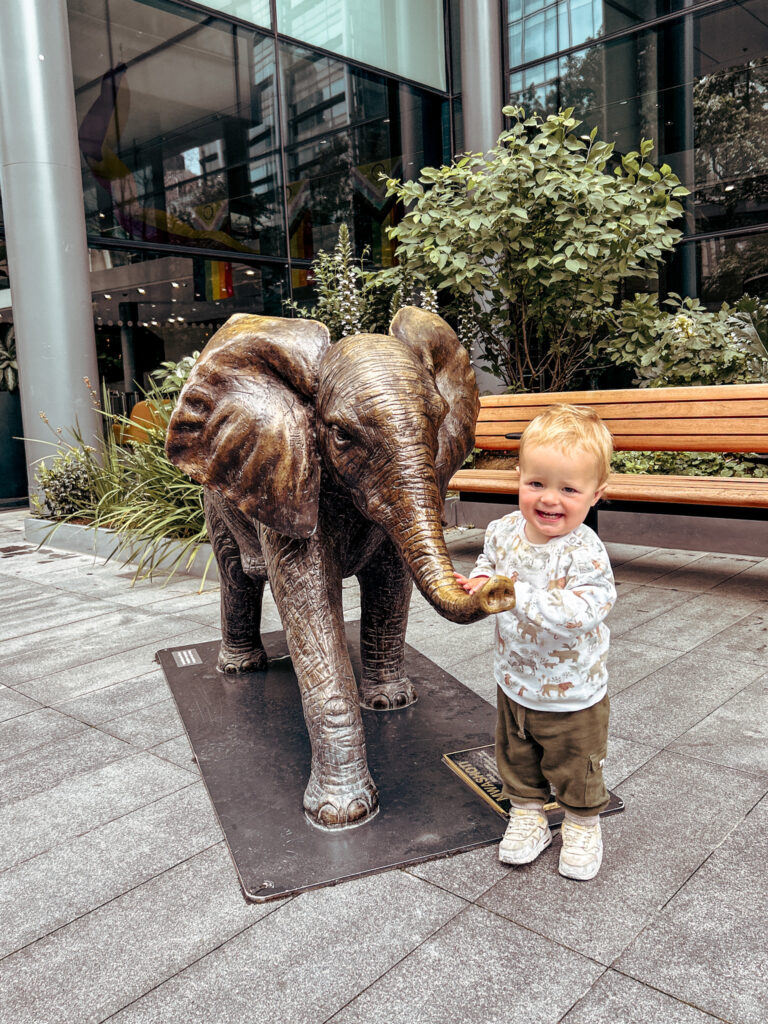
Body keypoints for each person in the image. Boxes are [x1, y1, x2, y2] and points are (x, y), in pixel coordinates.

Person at [454, 404, 616, 880]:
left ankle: (583, 823)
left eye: (569, 489)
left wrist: (515, 594)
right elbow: (489, 561)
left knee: (575, 765)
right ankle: (528, 814)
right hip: (514, 678)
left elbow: (585, 612)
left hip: (572, 691)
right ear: (519, 477)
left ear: (595, 495)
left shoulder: (584, 551)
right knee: (516, 756)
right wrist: (482, 577)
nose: (550, 499)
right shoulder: (503, 531)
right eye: (537, 483)